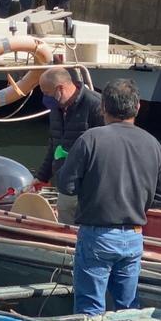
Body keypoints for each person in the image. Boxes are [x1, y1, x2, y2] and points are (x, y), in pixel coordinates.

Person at [56, 79, 161, 315]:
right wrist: (136, 202)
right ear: (137, 107)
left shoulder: (90, 139)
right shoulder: (153, 144)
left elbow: (66, 185)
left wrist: (93, 191)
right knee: (129, 310)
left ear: (103, 107)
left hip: (97, 235)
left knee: (89, 310)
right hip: (134, 236)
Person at [36, 67, 105, 224]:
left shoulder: (96, 105)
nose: (45, 98)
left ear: (60, 89)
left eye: (46, 93)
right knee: (66, 224)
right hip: (66, 184)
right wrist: (42, 176)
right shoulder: (56, 109)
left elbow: (108, 149)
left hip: (90, 186)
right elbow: (54, 144)